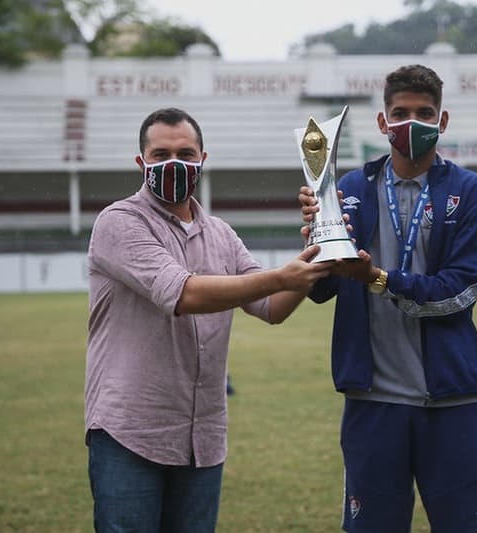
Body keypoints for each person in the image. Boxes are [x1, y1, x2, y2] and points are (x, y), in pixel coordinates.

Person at [85, 107, 332, 532]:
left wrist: (319, 249)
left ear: (202, 159)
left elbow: (271, 307)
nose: (173, 164)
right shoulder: (118, 223)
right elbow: (183, 293)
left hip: (202, 436)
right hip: (131, 433)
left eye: (185, 153)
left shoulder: (220, 233)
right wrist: (282, 276)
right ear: (140, 163)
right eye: (160, 154)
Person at [300, 64, 477, 532]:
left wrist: (380, 279)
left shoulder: (471, 193)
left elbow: (461, 292)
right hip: (373, 401)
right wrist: (316, 240)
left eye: (425, 113)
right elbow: (322, 290)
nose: (413, 123)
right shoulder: (347, 188)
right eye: (401, 113)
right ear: (383, 123)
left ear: (442, 121)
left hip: (451, 400)